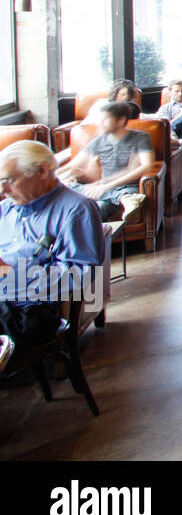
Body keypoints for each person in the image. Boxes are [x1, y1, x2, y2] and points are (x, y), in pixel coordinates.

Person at [0, 141, 106, 360]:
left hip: (31, 311)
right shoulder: (6, 208)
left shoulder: (76, 210)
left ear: (42, 171)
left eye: (9, 181)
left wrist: (13, 279)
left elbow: (80, 274)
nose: (3, 190)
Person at [55, 102, 154, 221]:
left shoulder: (140, 138)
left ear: (121, 121)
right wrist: (55, 173)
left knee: (96, 209)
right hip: (104, 189)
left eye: (105, 120)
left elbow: (147, 166)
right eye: (99, 120)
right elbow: (75, 163)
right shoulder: (99, 141)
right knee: (67, 186)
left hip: (127, 187)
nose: (100, 124)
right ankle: (124, 198)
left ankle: (124, 196)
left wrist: (106, 186)